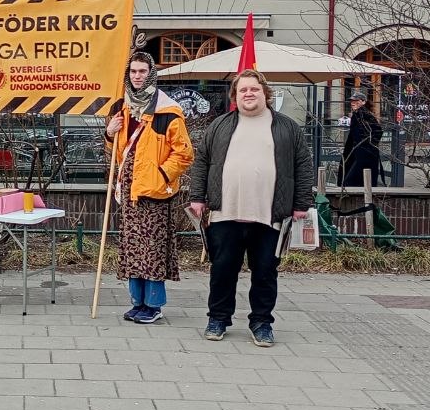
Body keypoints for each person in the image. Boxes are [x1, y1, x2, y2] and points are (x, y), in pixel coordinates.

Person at [188, 69, 315, 348]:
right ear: (235, 95)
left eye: (254, 89)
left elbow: (303, 165)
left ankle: (261, 323)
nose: (249, 94)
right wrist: (197, 197)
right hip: (225, 213)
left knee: (265, 272)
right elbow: (202, 162)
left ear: (265, 92)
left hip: (270, 215)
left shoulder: (287, 127)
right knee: (222, 270)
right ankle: (218, 319)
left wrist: (301, 203)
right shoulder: (219, 125)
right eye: (243, 90)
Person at [103, 51, 195, 325]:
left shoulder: (167, 111)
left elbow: (184, 154)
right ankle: (137, 302)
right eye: (133, 71)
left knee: (152, 249)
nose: (137, 76)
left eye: (142, 71)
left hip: (155, 193)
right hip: (129, 191)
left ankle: (153, 305)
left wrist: (162, 175)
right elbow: (117, 152)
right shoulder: (121, 107)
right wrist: (109, 133)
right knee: (133, 248)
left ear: (151, 73)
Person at [340, 89, 382, 187]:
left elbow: (377, 131)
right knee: (359, 181)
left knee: (351, 182)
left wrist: (366, 145)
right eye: (352, 101)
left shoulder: (363, 114)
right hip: (359, 152)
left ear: (363, 102)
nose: (352, 103)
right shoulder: (359, 114)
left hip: (363, 154)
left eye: (356, 101)